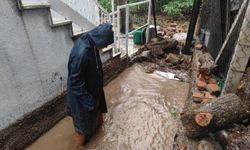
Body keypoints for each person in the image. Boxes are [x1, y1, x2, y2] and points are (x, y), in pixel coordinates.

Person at [67, 23, 114, 148]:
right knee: (82, 127)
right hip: (82, 96)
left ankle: (100, 133)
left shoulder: (92, 43)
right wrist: (88, 102)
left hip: (94, 88)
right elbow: (75, 83)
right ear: (101, 40)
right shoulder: (81, 53)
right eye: (106, 44)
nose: (106, 46)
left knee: (99, 114)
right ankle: (79, 146)